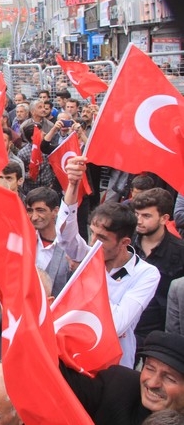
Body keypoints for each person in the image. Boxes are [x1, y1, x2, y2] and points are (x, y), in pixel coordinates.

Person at [58, 156, 161, 368]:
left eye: (102, 238)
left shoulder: (147, 274)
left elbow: (116, 324)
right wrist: (72, 185)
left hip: (114, 366)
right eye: (92, 233)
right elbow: (66, 237)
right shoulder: (89, 255)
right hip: (75, 356)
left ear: (124, 242)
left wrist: (88, 277)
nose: (93, 242)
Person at [62, 331, 184, 425]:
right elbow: (59, 381)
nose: (152, 384)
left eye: (169, 378)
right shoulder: (118, 385)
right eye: (150, 369)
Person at [131, 188, 184, 347]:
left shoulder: (179, 252)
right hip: (125, 323)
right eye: (137, 214)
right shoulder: (126, 243)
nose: (139, 220)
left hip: (155, 333)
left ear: (164, 218)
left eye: (146, 216)